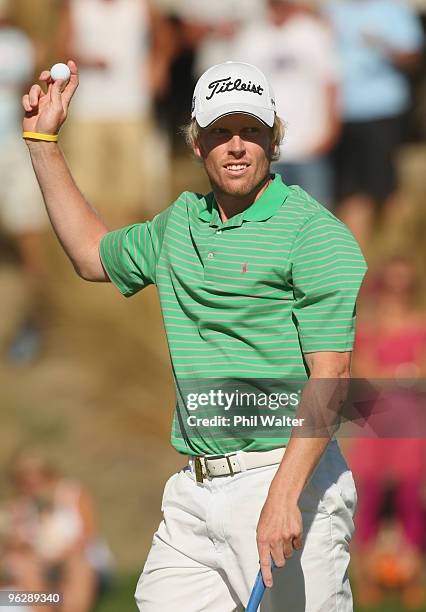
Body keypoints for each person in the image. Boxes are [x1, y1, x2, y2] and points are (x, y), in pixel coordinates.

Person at [22, 59, 367, 610]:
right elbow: (91, 255)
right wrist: (42, 142)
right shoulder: (178, 223)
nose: (236, 146)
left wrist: (283, 499)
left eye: (251, 132)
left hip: (286, 478)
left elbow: (333, 376)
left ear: (273, 141)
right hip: (196, 491)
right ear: (196, 143)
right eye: (220, 132)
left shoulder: (316, 236)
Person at [324, 0, 424, 250]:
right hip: (342, 113)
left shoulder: (393, 10)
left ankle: (395, 253)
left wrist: (382, 45)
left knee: (385, 187)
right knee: (349, 190)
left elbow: (414, 57)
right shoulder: (330, 10)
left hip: (383, 111)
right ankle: (356, 256)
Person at [231, 0, 341, 208]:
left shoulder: (312, 31)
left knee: (316, 221)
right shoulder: (251, 36)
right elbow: (239, 93)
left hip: (311, 144)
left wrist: (331, 129)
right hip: (265, 148)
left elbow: (331, 83)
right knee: (266, 224)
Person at [1, 451, 113, 612]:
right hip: (39, 569)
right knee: (27, 568)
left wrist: (60, 555)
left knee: (77, 566)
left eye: (37, 474)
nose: (31, 481)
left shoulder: (72, 493)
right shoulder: (18, 507)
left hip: (76, 561)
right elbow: (12, 547)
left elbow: (88, 535)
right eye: (24, 477)